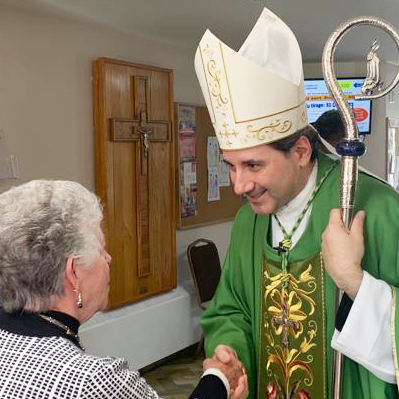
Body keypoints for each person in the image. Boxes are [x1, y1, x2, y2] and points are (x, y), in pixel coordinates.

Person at [194, 6, 399, 399]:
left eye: (253, 165)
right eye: (231, 166)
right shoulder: (249, 222)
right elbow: (231, 309)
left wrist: (355, 282)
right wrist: (230, 355)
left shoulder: (377, 208)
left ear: (301, 151)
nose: (239, 184)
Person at [0, 179, 248, 399]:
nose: (108, 258)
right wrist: (219, 380)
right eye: (100, 249)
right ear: (73, 273)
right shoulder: (91, 381)